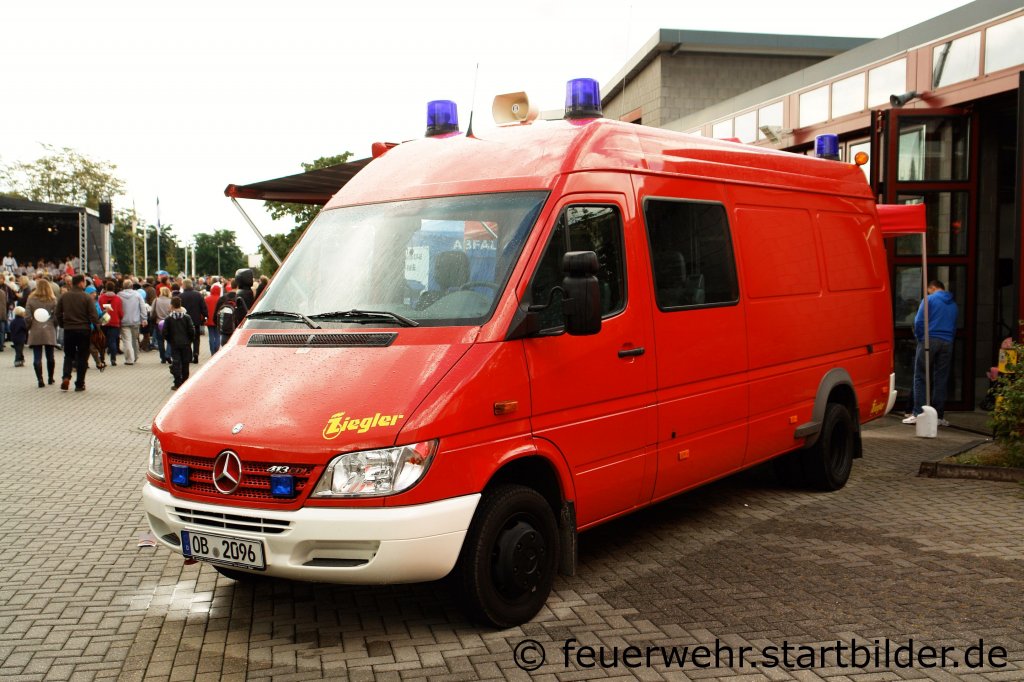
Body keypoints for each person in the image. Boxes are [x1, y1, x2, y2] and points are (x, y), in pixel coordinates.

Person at [903, 280, 958, 426]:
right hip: (947, 341)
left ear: (932, 288)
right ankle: (938, 416)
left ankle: (918, 413)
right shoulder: (953, 304)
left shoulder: (929, 300)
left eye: (928, 290)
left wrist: (920, 338)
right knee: (941, 379)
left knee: (920, 376)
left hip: (930, 339)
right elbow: (954, 326)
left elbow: (919, 321)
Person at [55, 274, 99, 391]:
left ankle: (66, 377)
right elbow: (93, 315)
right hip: (84, 330)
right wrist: (97, 328)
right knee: (83, 357)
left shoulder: (64, 296)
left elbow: (57, 313)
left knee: (68, 355)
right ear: (81, 283)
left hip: (69, 329)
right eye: (84, 282)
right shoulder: (87, 297)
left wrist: (62, 324)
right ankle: (80, 383)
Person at [26, 277, 58, 387]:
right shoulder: (53, 299)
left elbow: (27, 316)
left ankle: (40, 379)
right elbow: (56, 316)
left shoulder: (31, 299)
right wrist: (53, 325)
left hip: (35, 329)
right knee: (50, 356)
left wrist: (29, 327)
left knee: (37, 356)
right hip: (49, 328)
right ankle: (50, 378)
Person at [163, 296, 195, 390]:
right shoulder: (187, 317)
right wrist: (190, 340)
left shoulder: (169, 319)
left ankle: (177, 383)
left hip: (174, 343)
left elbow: (165, 332)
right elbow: (191, 330)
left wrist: (170, 340)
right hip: (186, 343)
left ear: (172, 305)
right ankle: (185, 382)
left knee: (176, 362)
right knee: (185, 363)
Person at [117, 279, 146, 365]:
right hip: (135, 321)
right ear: (132, 286)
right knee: (134, 339)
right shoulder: (137, 295)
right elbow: (142, 307)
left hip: (124, 321)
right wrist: (144, 318)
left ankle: (129, 359)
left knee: (127, 340)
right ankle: (135, 356)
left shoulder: (119, 295)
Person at [179, 278, 207, 364]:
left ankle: (189, 355)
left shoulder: (181, 296)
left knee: (187, 339)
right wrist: (205, 316)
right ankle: (196, 353)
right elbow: (203, 307)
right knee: (196, 338)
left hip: (184, 321)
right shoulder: (198, 295)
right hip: (196, 320)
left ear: (184, 285)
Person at [99, 280, 123, 366]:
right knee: (112, 341)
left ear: (105, 288)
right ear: (114, 288)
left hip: (104, 320)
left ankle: (102, 358)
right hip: (114, 321)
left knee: (102, 341)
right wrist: (120, 318)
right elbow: (120, 312)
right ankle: (113, 359)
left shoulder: (101, 298)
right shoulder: (118, 298)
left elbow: (99, 309)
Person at [204, 283, 223, 355]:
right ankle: (216, 351)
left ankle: (212, 351)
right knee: (217, 336)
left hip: (209, 320)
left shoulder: (207, 299)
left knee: (211, 336)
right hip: (217, 320)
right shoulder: (221, 299)